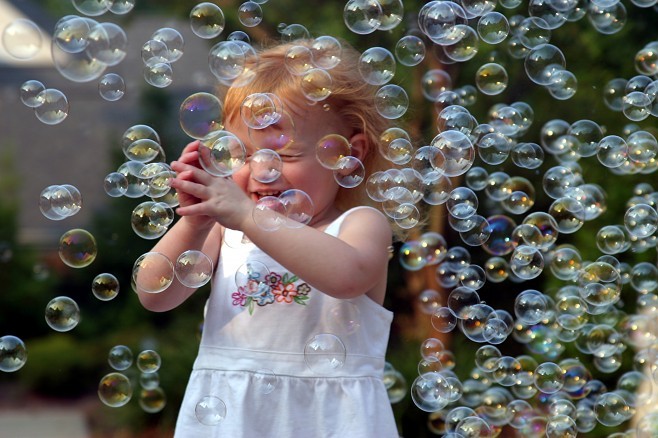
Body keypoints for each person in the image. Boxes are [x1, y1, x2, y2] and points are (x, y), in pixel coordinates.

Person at [136, 38, 399, 437]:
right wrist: (196, 220)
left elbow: (348, 277)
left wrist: (246, 213)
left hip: (327, 422)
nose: (263, 172)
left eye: (286, 156)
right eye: (242, 154)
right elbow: (154, 294)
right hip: (231, 418)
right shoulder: (226, 230)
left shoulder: (360, 225)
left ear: (349, 155)